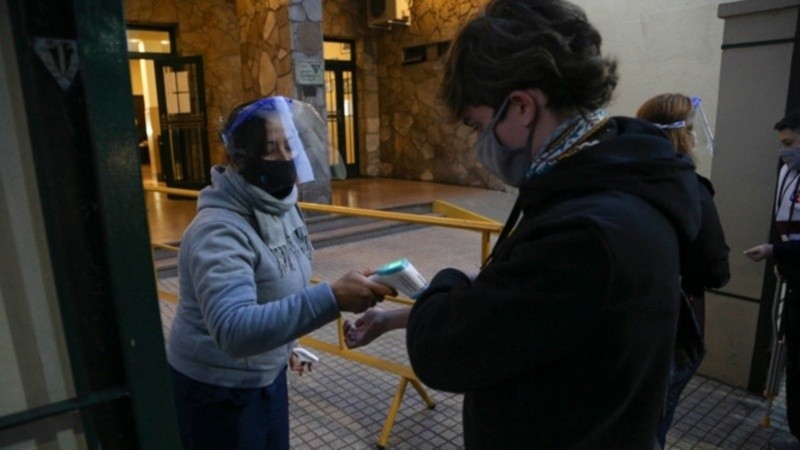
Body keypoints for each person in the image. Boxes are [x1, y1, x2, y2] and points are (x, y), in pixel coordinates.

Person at [349, 0, 702, 447]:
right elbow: (524, 316)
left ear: (520, 107)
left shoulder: (587, 230)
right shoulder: (624, 184)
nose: (479, 143)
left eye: (478, 125)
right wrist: (400, 315)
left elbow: (444, 353)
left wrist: (451, 277)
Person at [166, 95, 393, 450]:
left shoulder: (281, 204)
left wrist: (288, 343)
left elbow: (279, 284)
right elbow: (235, 331)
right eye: (271, 149)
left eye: (291, 145)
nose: (286, 158)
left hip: (266, 375)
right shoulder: (217, 230)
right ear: (241, 159)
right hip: (217, 392)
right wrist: (331, 297)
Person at [636, 93, 731, 447]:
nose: (694, 138)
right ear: (681, 134)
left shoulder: (615, 176)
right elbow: (715, 269)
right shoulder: (691, 190)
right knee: (655, 419)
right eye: (691, 129)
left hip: (616, 320)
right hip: (671, 324)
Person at [745, 108, 800, 450]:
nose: (785, 151)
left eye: (790, 143)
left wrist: (775, 252)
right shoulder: (788, 171)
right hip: (794, 278)